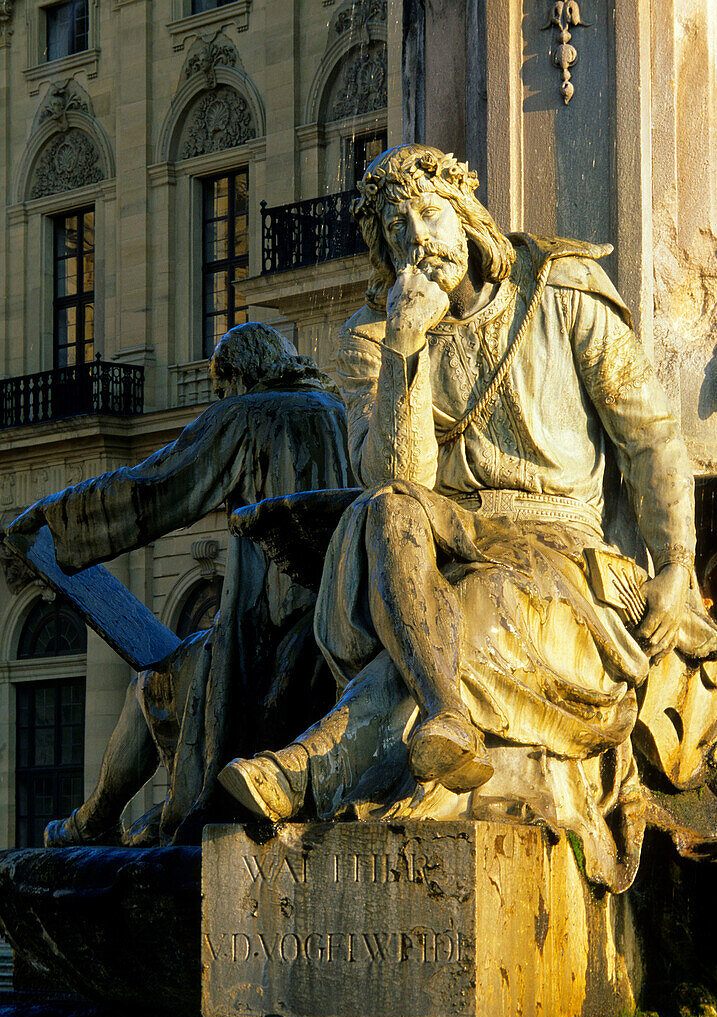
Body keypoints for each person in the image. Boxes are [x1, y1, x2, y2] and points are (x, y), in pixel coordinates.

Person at [218, 145, 717, 893]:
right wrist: (406, 346)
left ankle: (315, 764)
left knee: (479, 608)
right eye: (393, 228)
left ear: (464, 214)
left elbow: (648, 434)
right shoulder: (373, 335)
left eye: (426, 213)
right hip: (438, 537)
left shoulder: (563, 290)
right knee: (385, 509)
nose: (414, 237)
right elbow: (396, 478)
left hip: (567, 546)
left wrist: (676, 563)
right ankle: (447, 713)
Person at [6, 323, 351, 846]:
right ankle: (122, 812)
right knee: (181, 666)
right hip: (331, 622)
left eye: (219, 389)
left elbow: (153, 489)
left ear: (237, 378)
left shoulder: (249, 414)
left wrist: (56, 521)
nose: (217, 399)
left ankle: (100, 815)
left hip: (271, 635)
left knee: (156, 679)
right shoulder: (335, 410)